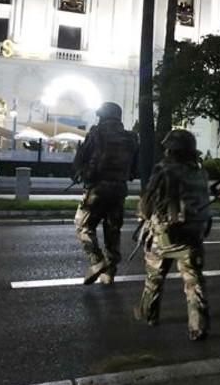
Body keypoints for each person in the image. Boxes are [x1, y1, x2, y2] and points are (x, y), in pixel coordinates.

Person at [133, 129, 211, 338]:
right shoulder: (199, 171)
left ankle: (148, 313)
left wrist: (142, 215)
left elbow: (148, 204)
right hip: (193, 235)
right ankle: (198, 326)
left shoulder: (164, 169)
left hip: (165, 236)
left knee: (154, 277)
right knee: (194, 282)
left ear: (171, 150)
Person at [73, 102, 139, 285]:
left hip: (97, 189)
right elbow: (135, 169)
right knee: (112, 230)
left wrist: (82, 170)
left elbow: (82, 159)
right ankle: (110, 272)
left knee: (82, 225)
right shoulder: (131, 137)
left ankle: (97, 261)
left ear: (103, 116)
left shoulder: (96, 133)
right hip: (120, 189)